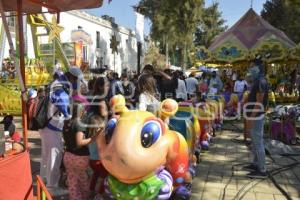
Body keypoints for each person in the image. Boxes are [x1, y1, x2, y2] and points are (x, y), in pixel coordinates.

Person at [39, 66, 83, 188]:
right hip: (52, 129)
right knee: (54, 156)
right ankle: (52, 186)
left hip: (46, 127)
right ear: (72, 78)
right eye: (77, 81)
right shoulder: (61, 90)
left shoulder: (58, 84)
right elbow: (67, 113)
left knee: (46, 155)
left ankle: (43, 180)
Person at [63, 100, 101, 200]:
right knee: (83, 180)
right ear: (81, 111)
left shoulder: (67, 122)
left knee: (72, 182)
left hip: (68, 156)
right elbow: (79, 143)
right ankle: (85, 197)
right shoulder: (79, 124)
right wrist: (94, 138)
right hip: (79, 157)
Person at [244, 61, 269, 179]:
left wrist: (251, 118)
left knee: (258, 142)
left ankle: (262, 169)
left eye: (253, 66)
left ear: (259, 68)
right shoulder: (257, 81)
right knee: (254, 142)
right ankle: (256, 164)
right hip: (254, 115)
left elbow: (259, 101)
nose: (251, 68)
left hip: (256, 116)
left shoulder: (261, 81)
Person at [87, 115, 108, 195]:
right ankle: (99, 193)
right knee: (104, 177)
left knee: (95, 175)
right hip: (99, 161)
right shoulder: (100, 137)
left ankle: (91, 190)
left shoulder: (90, 136)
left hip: (92, 161)